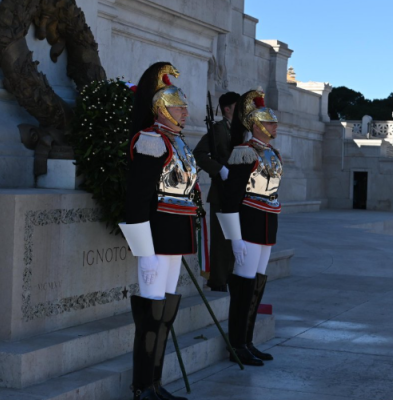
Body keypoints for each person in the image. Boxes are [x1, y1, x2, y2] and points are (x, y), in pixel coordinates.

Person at [118, 62, 194, 400]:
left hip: (175, 238)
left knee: (165, 312)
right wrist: (144, 251)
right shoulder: (152, 141)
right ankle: (141, 387)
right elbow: (137, 200)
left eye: (184, 104)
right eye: (178, 104)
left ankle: (156, 383)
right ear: (161, 108)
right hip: (156, 238)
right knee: (150, 315)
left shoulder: (178, 143)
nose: (185, 110)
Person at [216, 90, 282, 366]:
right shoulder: (244, 153)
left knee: (257, 284)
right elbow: (230, 197)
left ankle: (248, 339)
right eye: (269, 122)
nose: (274, 126)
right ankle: (237, 343)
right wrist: (235, 238)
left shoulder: (272, 152)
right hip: (249, 222)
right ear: (256, 125)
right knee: (243, 285)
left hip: (267, 223)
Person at [193, 91, 241, 292]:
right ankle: (218, 280)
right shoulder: (219, 130)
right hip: (221, 192)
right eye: (238, 107)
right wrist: (219, 169)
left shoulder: (240, 130)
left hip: (236, 191)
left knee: (234, 237)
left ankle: (229, 276)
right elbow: (199, 154)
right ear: (228, 109)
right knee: (221, 240)